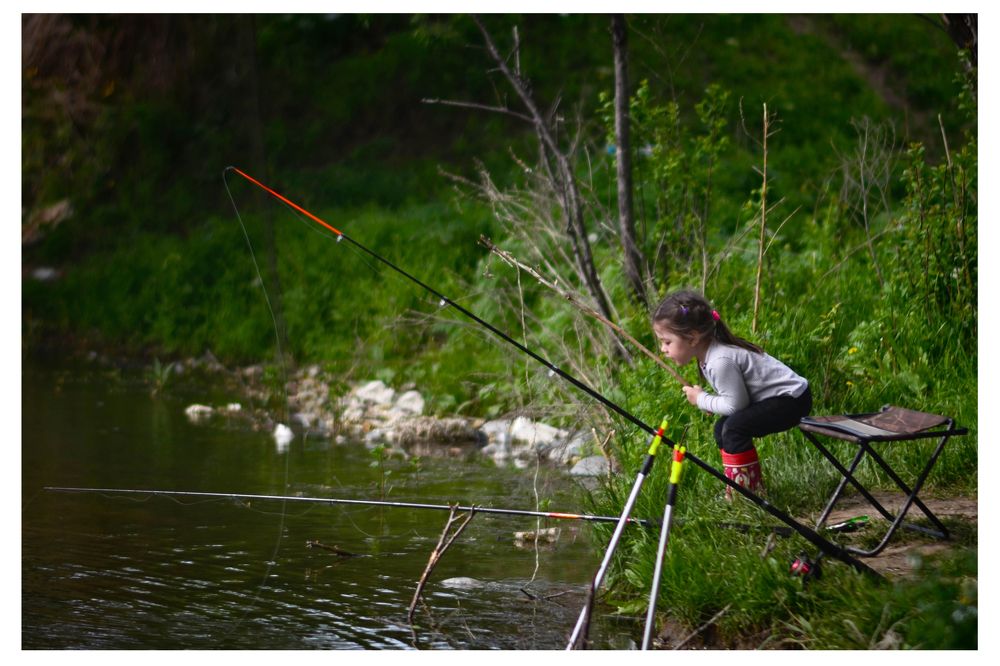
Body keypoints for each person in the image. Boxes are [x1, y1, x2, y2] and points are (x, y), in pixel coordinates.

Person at [651, 289, 812, 496]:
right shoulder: (709, 356)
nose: (663, 349)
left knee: (734, 427)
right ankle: (739, 485)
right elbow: (733, 398)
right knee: (722, 428)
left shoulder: (720, 360)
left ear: (692, 338)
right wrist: (709, 401)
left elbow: (736, 406)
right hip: (781, 398)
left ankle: (747, 492)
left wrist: (701, 399)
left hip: (793, 400)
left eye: (667, 342)